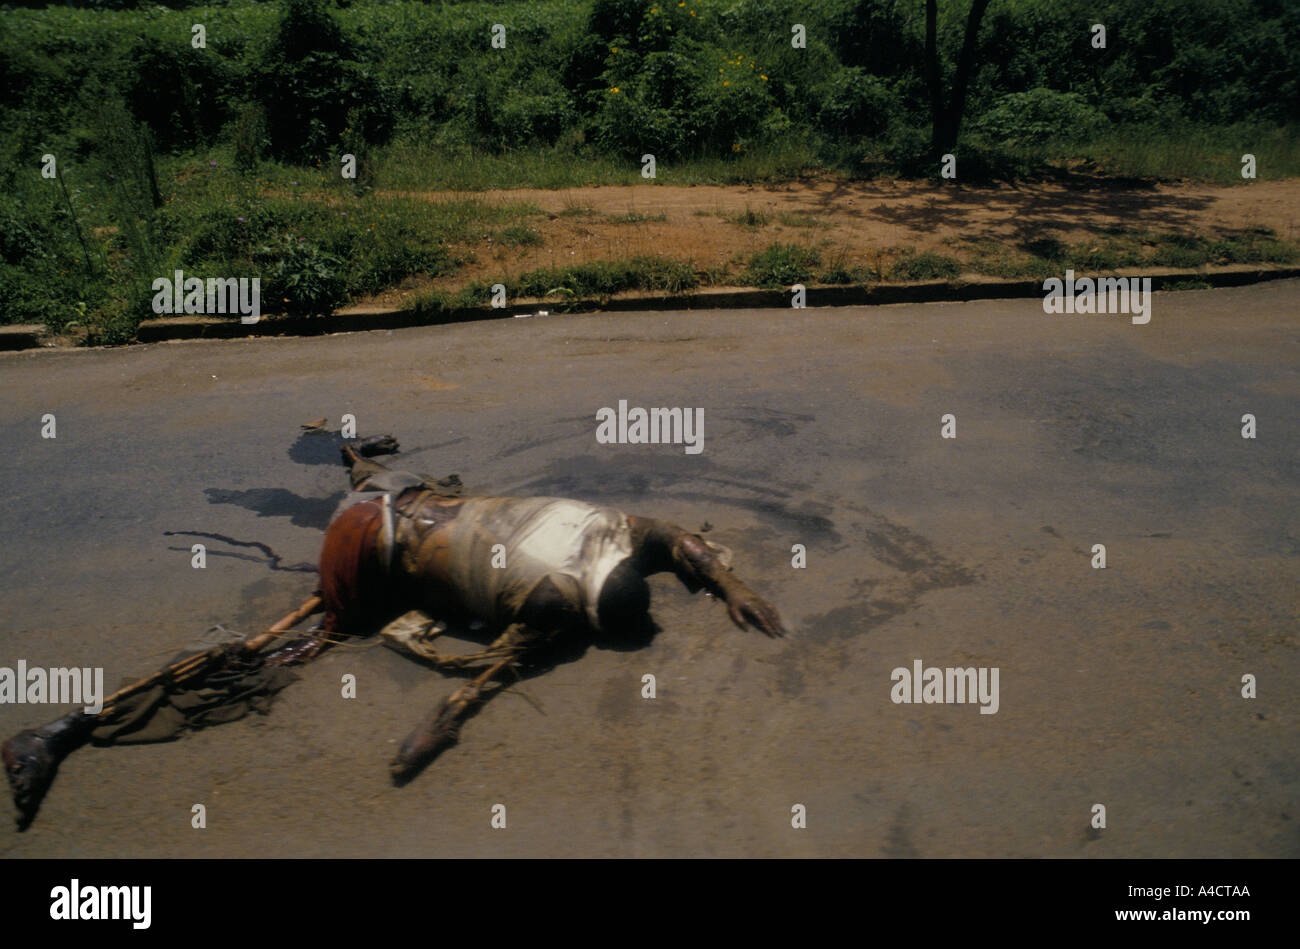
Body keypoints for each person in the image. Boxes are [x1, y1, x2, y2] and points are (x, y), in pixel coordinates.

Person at [4, 436, 786, 828]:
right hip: (363, 555)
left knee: (375, 524)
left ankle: (65, 726)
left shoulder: (613, 526)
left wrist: (732, 582)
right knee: (272, 647)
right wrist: (432, 729)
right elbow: (489, 677)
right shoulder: (548, 602)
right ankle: (66, 727)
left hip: (397, 496)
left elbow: (678, 540)